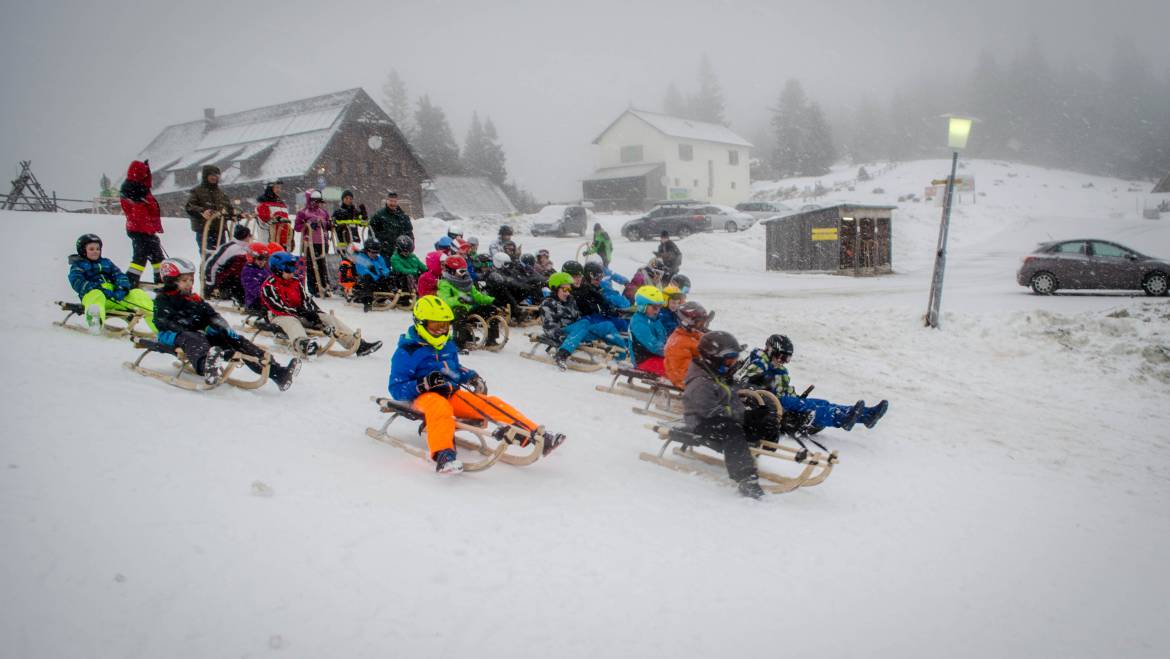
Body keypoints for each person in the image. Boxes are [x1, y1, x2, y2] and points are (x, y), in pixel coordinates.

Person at [388, 295, 566, 473]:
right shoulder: (408, 351)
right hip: (423, 398)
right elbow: (396, 388)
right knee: (440, 408)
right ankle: (444, 455)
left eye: (445, 325)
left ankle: (536, 434)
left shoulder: (447, 345)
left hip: (451, 392)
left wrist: (471, 377)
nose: (441, 331)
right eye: (435, 325)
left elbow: (454, 369)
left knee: (490, 403)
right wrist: (423, 384)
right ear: (421, 323)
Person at [153, 257, 299, 390]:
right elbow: (164, 322)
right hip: (173, 335)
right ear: (171, 281)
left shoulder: (194, 299)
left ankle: (277, 372)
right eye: (184, 281)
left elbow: (211, 315)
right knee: (194, 338)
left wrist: (222, 327)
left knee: (236, 341)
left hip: (199, 334)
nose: (189, 284)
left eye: (191, 280)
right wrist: (195, 328)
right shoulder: (163, 299)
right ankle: (206, 367)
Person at [682, 330, 770, 499]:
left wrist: (748, 416)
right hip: (701, 423)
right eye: (729, 359)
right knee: (733, 431)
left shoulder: (719, 375)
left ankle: (748, 454)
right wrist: (739, 418)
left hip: (720, 418)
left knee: (756, 423)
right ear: (713, 358)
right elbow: (709, 412)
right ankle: (745, 478)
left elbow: (732, 402)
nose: (733, 363)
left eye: (735, 359)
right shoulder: (701, 382)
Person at [736, 334, 887, 431]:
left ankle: (866, 415)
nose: (784, 362)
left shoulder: (780, 369)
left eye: (787, 359)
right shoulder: (759, 360)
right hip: (772, 402)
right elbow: (748, 378)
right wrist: (765, 376)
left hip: (785, 400)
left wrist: (796, 397)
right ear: (770, 351)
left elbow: (785, 388)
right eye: (782, 357)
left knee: (823, 402)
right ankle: (845, 417)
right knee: (814, 409)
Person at [261, 251, 382, 358]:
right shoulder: (269, 285)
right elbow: (277, 306)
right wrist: (300, 312)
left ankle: (357, 344)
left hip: (298, 313)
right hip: (278, 317)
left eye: (294, 268)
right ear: (278, 269)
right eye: (289, 269)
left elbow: (306, 300)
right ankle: (302, 344)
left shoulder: (295, 282)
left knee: (327, 317)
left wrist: (314, 313)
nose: (293, 272)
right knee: (292, 321)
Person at [68, 234, 157, 333]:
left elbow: (119, 275)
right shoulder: (78, 266)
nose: (95, 251)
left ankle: (159, 328)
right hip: (95, 297)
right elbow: (77, 281)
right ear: (83, 251)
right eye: (91, 249)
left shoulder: (106, 263)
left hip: (115, 297)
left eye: (98, 249)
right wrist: (97, 288)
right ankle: (95, 321)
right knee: (96, 295)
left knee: (138, 294)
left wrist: (122, 289)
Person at [540, 272, 628, 370]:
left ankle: (622, 354)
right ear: (555, 289)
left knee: (607, 325)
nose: (567, 293)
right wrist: (561, 337)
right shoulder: (548, 304)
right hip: (563, 333)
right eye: (564, 289)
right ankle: (562, 354)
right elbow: (548, 327)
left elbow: (577, 318)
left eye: (569, 289)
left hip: (577, 333)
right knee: (584, 323)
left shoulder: (570, 300)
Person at [119, 159, 165, 287]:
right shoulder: (132, 191)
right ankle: (129, 282)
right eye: (144, 173)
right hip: (139, 230)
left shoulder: (142, 189)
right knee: (140, 257)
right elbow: (137, 214)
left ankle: (161, 279)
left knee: (157, 257)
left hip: (146, 230)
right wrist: (148, 229)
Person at [184, 164, 235, 255]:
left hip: (220, 230)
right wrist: (202, 211)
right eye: (212, 175)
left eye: (216, 175)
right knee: (208, 257)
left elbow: (229, 209)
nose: (214, 177)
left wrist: (237, 214)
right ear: (205, 176)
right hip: (204, 230)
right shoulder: (197, 191)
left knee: (222, 257)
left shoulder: (221, 194)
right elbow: (190, 207)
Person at [663, 301, 712, 388]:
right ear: (687, 322)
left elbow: (708, 345)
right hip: (690, 382)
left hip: (699, 375)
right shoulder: (677, 344)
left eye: (703, 322)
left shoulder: (693, 334)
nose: (702, 326)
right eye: (699, 323)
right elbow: (682, 375)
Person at [295, 189, 332, 296]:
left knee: (323, 265)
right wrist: (309, 226)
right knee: (312, 266)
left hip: (323, 241)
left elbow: (327, 224)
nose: (316, 203)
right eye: (314, 201)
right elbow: (297, 227)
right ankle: (314, 288)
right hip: (310, 242)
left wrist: (329, 225)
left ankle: (325, 286)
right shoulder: (303, 212)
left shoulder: (324, 212)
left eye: (318, 201)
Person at [202, 224, 252, 303]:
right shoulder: (230, 248)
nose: (250, 238)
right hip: (227, 281)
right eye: (250, 235)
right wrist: (210, 286)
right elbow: (211, 265)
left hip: (238, 277)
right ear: (246, 236)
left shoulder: (247, 247)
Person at [629, 285, 668, 375]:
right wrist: (671, 353)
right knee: (674, 370)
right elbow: (653, 345)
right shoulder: (638, 322)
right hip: (643, 360)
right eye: (654, 307)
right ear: (643, 306)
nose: (657, 311)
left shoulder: (654, 319)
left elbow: (663, 337)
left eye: (659, 307)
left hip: (656, 356)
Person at [351, 239, 395, 312]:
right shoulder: (361, 258)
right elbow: (363, 271)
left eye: (376, 252)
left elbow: (385, 268)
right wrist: (377, 278)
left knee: (392, 276)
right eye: (372, 252)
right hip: (363, 283)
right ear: (366, 250)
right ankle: (367, 302)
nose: (374, 254)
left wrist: (385, 275)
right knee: (367, 278)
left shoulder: (379, 258)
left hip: (377, 281)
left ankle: (400, 297)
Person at [369, 191, 413, 260]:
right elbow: (371, 232)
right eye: (390, 201)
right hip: (383, 251)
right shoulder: (379, 215)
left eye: (395, 201)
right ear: (387, 201)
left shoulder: (403, 216)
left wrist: (411, 245)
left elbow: (409, 232)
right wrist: (375, 246)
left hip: (400, 251)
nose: (392, 203)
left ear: (397, 202)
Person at [255, 180, 291, 248]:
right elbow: (263, 224)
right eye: (277, 187)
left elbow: (286, 220)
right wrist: (276, 220)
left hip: (283, 241)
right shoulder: (263, 204)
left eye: (280, 188)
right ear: (270, 188)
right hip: (269, 242)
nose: (279, 190)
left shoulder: (281, 204)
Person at [241, 242, 274, 313]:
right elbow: (252, 288)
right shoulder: (248, 271)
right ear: (251, 257)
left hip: (266, 299)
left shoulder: (264, 269)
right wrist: (268, 294)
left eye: (266, 259)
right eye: (260, 258)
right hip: (254, 301)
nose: (263, 261)